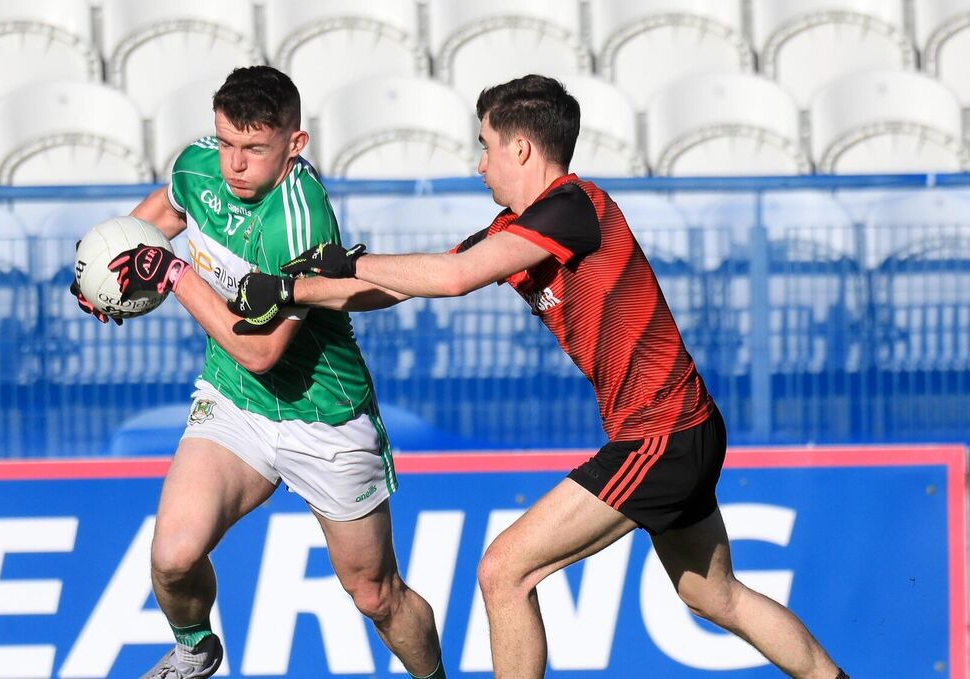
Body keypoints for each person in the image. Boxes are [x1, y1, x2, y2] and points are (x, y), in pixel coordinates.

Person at [228, 74, 848, 679]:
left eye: (486, 146)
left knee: (504, 570)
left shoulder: (573, 208)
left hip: (661, 436)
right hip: (680, 429)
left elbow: (453, 278)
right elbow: (405, 286)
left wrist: (344, 263)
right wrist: (296, 291)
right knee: (715, 596)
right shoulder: (517, 228)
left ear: (520, 148)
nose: (480, 165)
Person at [71, 65, 446, 679]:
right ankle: (194, 649)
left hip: (323, 416)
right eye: (226, 142)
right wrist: (105, 274)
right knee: (172, 557)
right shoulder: (199, 167)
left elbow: (261, 350)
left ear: (295, 144)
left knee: (376, 595)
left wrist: (173, 275)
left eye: (253, 148)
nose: (234, 164)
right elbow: (155, 217)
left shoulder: (301, 219)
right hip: (235, 403)